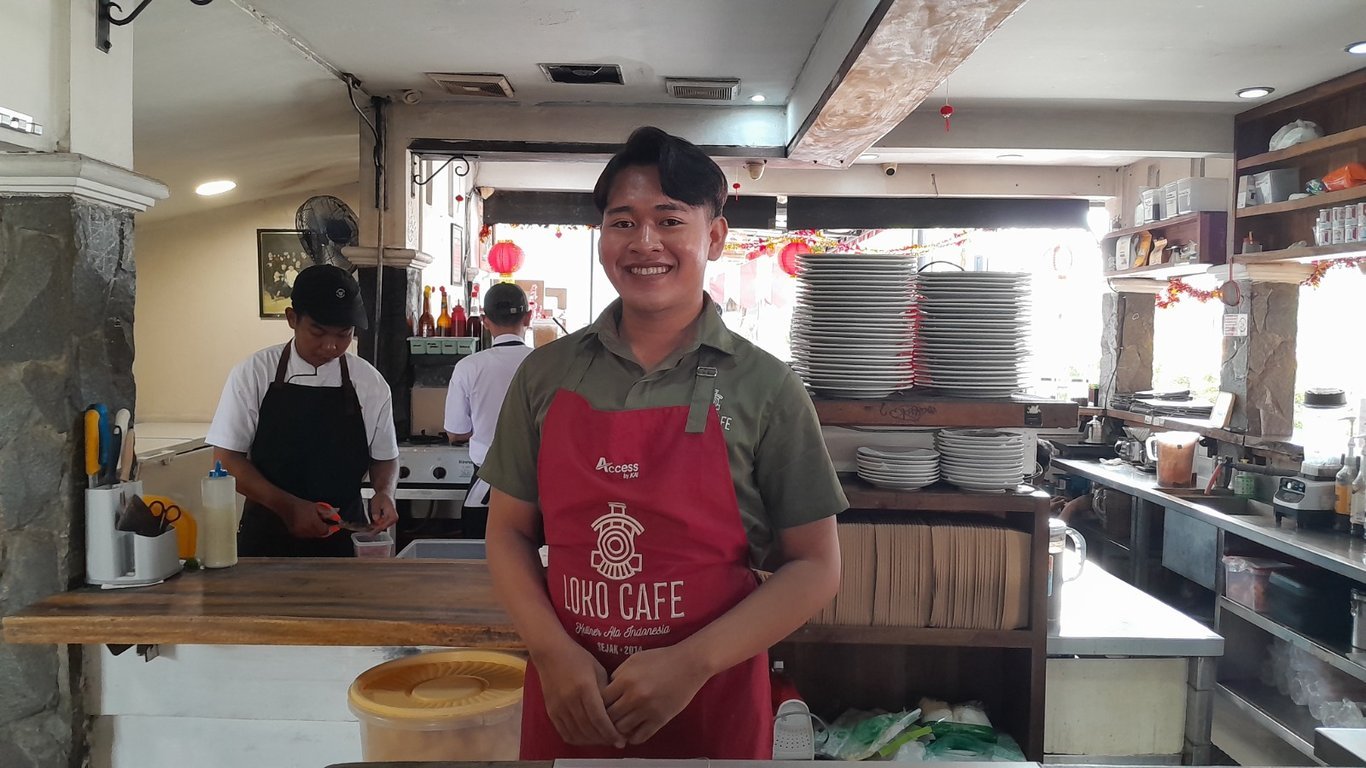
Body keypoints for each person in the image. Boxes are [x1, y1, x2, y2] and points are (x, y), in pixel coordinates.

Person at [481, 126, 846, 759]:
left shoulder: (766, 387)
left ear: (715, 236)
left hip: (711, 701)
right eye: (622, 222)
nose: (644, 242)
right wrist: (552, 651)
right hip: (573, 698)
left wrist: (691, 662)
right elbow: (509, 532)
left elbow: (816, 565)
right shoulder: (545, 375)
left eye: (670, 220)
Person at [207, 264, 399, 556]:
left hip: (344, 537)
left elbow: (384, 457)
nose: (331, 346)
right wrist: (288, 507)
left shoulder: (370, 383)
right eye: (318, 332)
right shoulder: (254, 373)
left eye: (344, 334)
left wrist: (384, 492)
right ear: (292, 319)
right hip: (266, 540)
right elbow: (226, 459)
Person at [443, 282, 535, 538]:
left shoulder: (468, 366)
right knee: (536, 559)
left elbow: (456, 432)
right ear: (528, 317)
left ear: (484, 321)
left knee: (479, 558)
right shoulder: (545, 363)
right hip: (536, 487)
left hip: (487, 485)